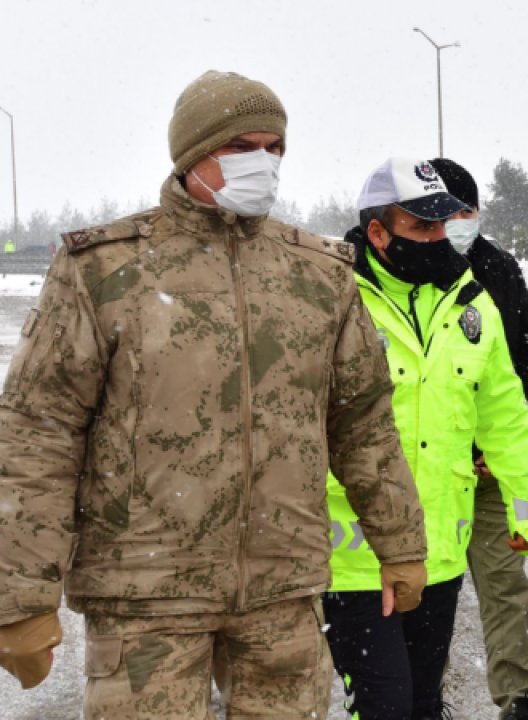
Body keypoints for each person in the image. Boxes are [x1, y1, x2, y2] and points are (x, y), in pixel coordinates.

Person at [0, 70, 427, 718]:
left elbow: (363, 424)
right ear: (192, 153)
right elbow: (38, 434)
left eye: (274, 147)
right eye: (241, 146)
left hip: (282, 591)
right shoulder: (106, 272)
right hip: (147, 595)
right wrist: (19, 595)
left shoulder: (318, 277)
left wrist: (401, 545)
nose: (263, 162)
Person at [324, 157, 528, 720]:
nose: (438, 238)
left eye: (442, 224)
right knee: (384, 705)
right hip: (357, 558)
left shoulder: (472, 303)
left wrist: (523, 516)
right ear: (378, 232)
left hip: (438, 553)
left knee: (422, 703)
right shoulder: (331, 299)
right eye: (422, 227)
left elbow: (504, 414)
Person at [432, 156, 528, 720]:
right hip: (423, 473)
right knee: (428, 593)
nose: (458, 220)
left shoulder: (497, 269)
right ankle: (420, 696)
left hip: (486, 472)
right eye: (446, 210)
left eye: (467, 210)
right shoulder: (395, 273)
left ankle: (520, 696)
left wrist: (492, 445)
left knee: (503, 584)